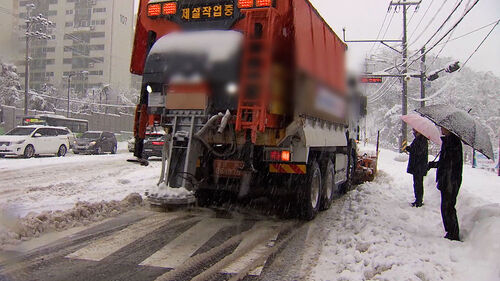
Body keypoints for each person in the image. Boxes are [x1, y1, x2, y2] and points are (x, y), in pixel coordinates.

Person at [428, 127, 463, 241]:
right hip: (446, 179)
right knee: (445, 206)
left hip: (451, 180)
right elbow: (444, 162)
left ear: (449, 129)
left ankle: (453, 233)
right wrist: (433, 165)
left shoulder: (454, 143)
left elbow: (450, 163)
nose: (441, 129)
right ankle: (449, 231)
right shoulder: (448, 141)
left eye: (443, 128)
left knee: (448, 206)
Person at [405, 129, 428, 207]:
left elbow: (418, 152)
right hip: (417, 166)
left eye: (415, 131)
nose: (413, 132)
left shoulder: (422, 140)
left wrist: (410, 149)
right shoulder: (419, 139)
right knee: (417, 183)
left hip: (419, 166)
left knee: (418, 183)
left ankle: (419, 201)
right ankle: (418, 199)